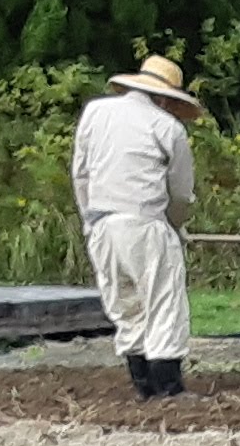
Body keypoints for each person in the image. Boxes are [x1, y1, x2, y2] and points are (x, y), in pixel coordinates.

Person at [70, 53, 201, 402]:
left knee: (126, 305)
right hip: (145, 222)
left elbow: (81, 174)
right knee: (163, 302)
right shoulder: (168, 128)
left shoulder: (95, 113)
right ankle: (169, 387)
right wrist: (173, 226)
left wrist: (89, 220)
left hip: (101, 223)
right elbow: (181, 193)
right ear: (165, 99)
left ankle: (143, 385)